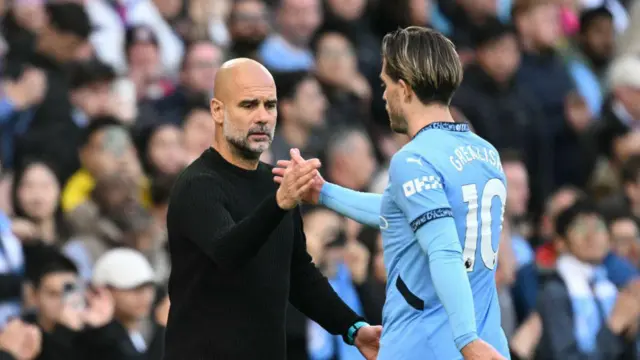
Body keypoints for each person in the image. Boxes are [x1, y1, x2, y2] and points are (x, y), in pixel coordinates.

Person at [274, 27, 508, 359]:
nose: (382, 96)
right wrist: (323, 193)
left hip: (428, 342)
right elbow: (398, 212)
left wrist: (466, 339)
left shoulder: (413, 158)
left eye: (385, 84)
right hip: (490, 340)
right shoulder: (485, 152)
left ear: (404, 88)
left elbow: (443, 250)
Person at [163, 58, 381, 359]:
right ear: (217, 110)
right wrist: (280, 204)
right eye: (249, 105)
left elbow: (299, 275)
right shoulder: (198, 184)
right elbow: (229, 253)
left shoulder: (275, 184)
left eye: (270, 105)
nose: (263, 117)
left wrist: (353, 328)